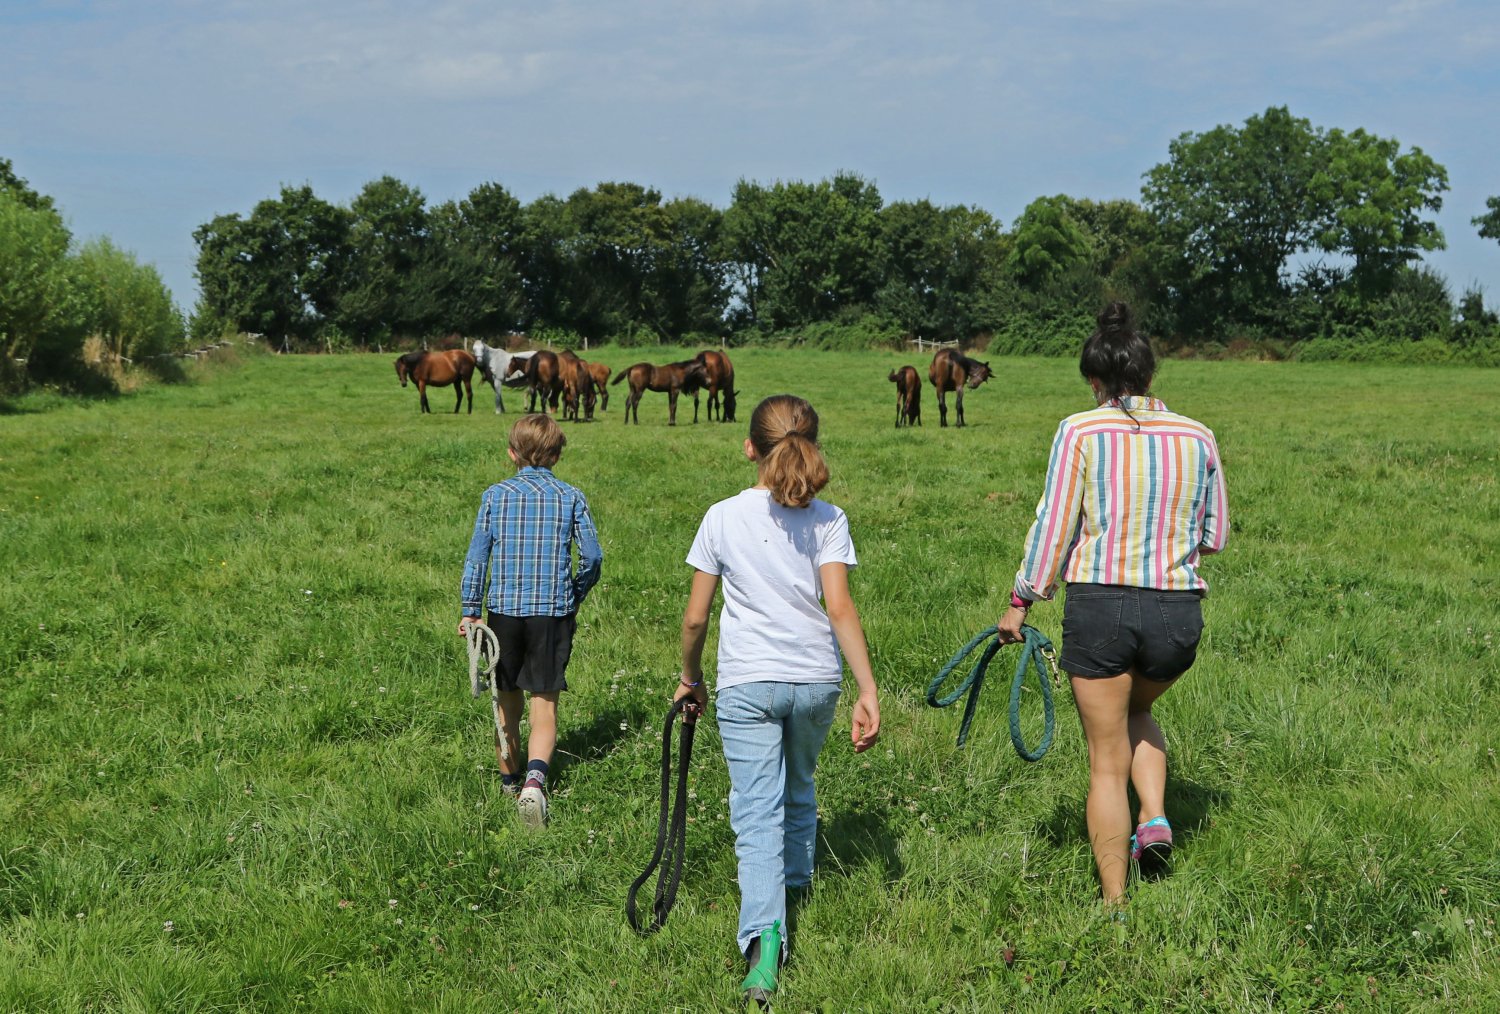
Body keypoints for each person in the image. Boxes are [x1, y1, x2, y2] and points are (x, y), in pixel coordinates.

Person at [997, 302, 1229, 906]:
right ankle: (1153, 816)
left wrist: (1021, 601)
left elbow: (1054, 528)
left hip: (1101, 607)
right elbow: (1215, 534)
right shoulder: (1198, 435)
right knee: (1138, 709)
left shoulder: (1080, 430)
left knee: (1105, 761)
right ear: (1149, 376)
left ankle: (1115, 905)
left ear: (1095, 381)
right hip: (1177, 614)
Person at [675, 394, 881, 1007]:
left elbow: (695, 618)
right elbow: (838, 606)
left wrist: (690, 677)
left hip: (748, 683)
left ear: (750, 448)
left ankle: (765, 945)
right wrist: (867, 688)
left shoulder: (721, 517)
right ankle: (797, 887)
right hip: (816, 680)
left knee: (756, 811)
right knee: (800, 784)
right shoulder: (828, 518)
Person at [459, 413, 603, 828]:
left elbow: (477, 557)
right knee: (544, 705)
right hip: (551, 614)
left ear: (511, 454)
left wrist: (471, 608)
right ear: (557, 455)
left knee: (507, 702)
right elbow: (592, 558)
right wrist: (573, 594)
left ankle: (509, 783)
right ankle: (534, 786)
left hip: (503, 614)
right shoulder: (571, 496)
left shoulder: (495, 496)